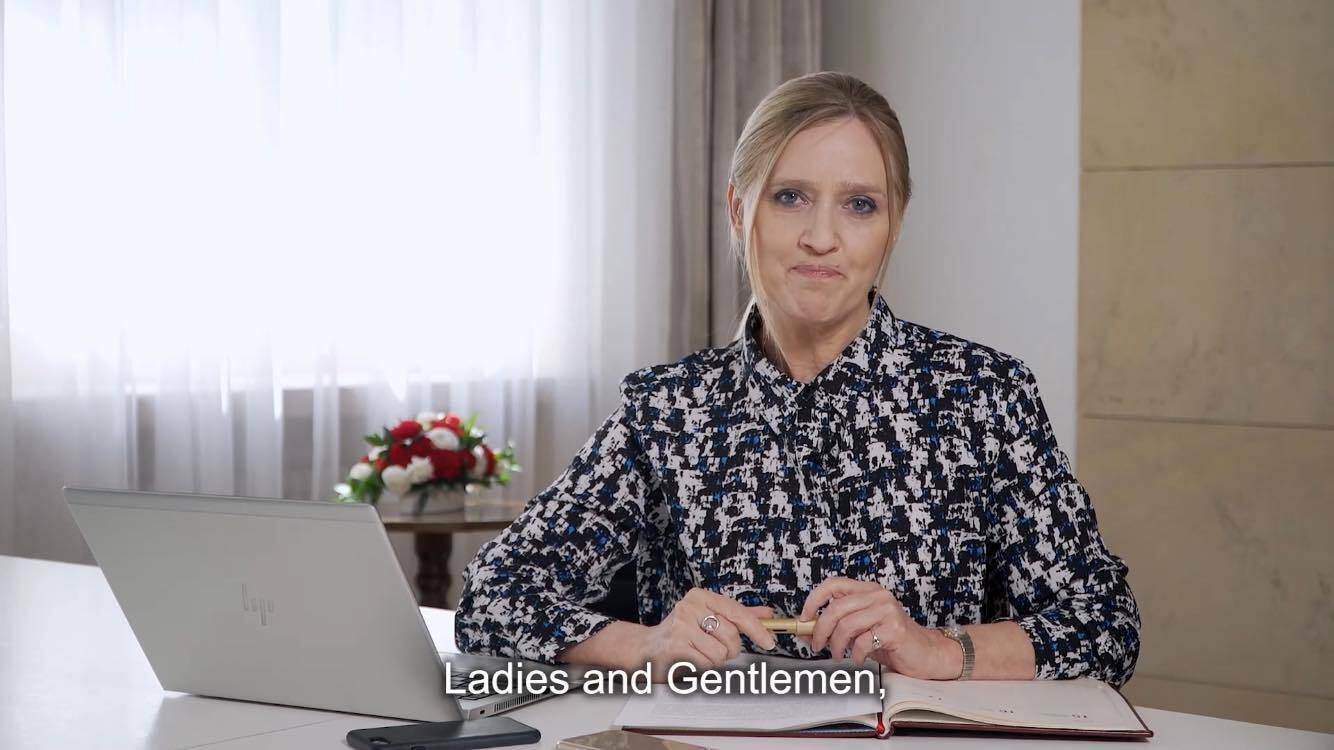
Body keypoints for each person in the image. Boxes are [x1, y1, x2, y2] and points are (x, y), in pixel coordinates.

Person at [455, 71, 1140, 687]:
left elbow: (1106, 623)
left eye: (860, 205)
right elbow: (492, 596)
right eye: (790, 197)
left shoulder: (984, 396)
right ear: (738, 210)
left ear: (895, 224)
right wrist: (647, 644)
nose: (821, 237)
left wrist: (938, 649)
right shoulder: (666, 409)